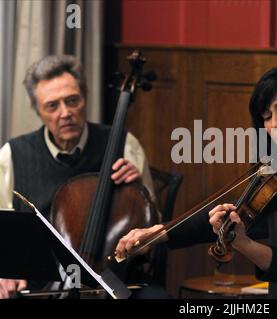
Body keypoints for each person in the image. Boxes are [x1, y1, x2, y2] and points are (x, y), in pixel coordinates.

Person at [115, 64, 277, 298]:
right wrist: (159, 233)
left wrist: (244, 244)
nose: (275, 124)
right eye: (266, 117)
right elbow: (235, 213)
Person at [0, 55, 159, 298]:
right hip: (39, 285)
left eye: (72, 100)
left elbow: (151, 232)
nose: (66, 113)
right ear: (38, 111)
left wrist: (137, 194)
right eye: (52, 106)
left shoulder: (125, 145)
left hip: (110, 280)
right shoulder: (11, 155)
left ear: (85, 98)